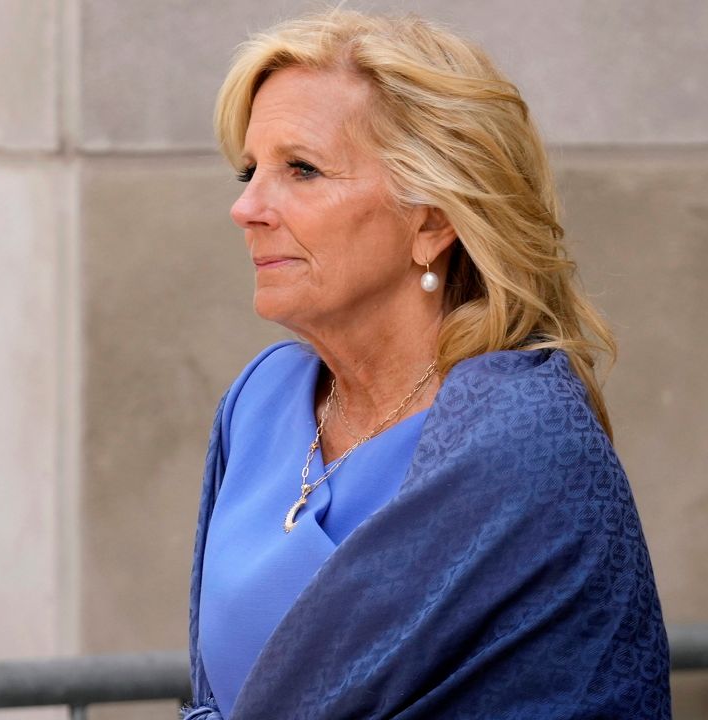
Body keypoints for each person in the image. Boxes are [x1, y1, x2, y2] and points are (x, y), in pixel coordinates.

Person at [183, 9, 670, 720]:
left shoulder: (523, 448)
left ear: (433, 221)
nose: (247, 206)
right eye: (250, 170)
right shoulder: (259, 400)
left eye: (302, 170)